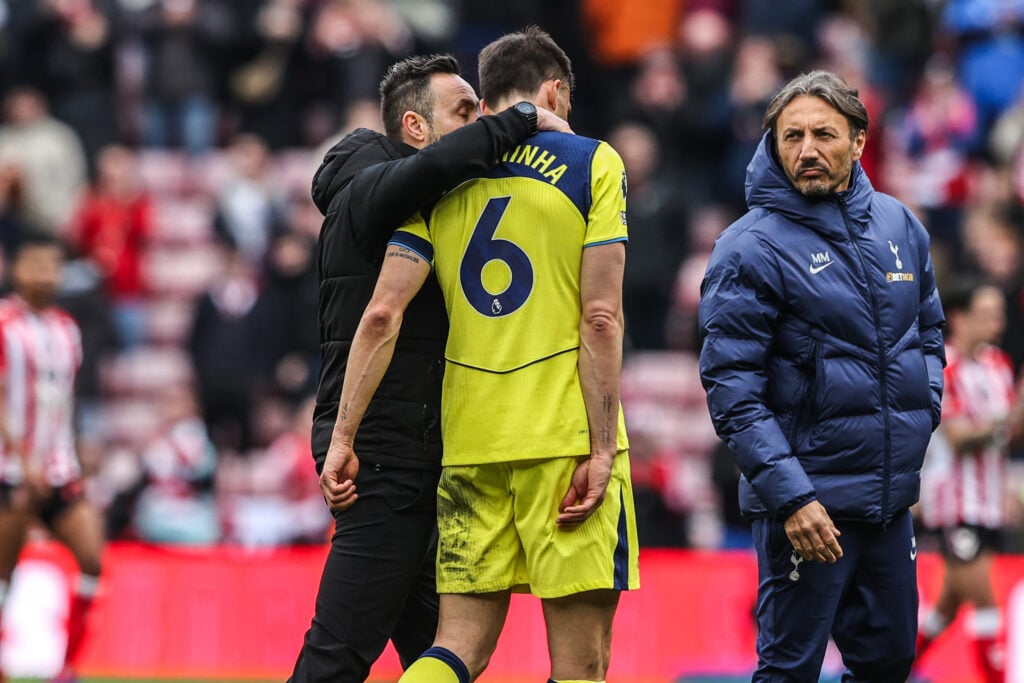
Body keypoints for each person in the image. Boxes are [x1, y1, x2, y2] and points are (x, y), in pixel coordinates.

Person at [322, 27, 640, 683]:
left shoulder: (440, 180)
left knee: (455, 649)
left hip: (468, 445)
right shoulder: (592, 161)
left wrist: (342, 433)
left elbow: (383, 312)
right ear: (554, 91)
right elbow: (602, 317)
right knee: (582, 664)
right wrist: (603, 447)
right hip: (564, 437)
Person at [289, 53, 570, 682]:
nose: (479, 122)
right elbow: (382, 318)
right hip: (385, 457)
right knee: (335, 660)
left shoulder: (419, 199)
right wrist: (524, 117)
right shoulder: (370, 187)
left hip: (416, 454)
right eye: (465, 112)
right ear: (416, 127)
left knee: (438, 660)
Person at [697, 70, 946, 682]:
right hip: (808, 509)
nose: (807, 149)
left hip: (889, 502)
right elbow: (732, 387)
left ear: (859, 141)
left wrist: (926, 408)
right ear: (774, 145)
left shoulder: (900, 227)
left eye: (824, 134)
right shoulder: (747, 247)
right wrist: (793, 498)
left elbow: (931, 334)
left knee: (889, 662)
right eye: (792, 136)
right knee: (789, 670)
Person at [0, 233, 105, 683]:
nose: (45, 274)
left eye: (52, 265)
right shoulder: (4, 324)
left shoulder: (66, 328)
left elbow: (64, 401)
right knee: (4, 573)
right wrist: (24, 461)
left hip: (59, 469)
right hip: (10, 471)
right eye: (35, 264)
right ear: (16, 270)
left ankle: (66, 668)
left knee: (92, 559)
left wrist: (77, 452)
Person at [916, 278, 1023, 682]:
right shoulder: (944, 366)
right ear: (959, 318)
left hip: (990, 500)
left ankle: (895, 671)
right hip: (955, 505)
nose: (998, 322)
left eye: (1000, 314)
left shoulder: (999, 365)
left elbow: (1007, 432)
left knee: (948, 604)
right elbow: (959, 437)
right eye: (988, 314)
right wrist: (1009, 421)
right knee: (985, 600)